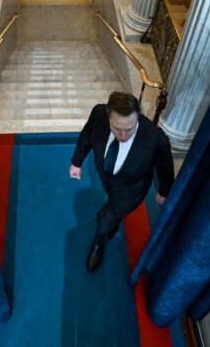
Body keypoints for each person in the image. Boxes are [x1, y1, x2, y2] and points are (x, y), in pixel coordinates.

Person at [69, 92, 174, 272]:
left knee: (108, 220)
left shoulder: (155, 138)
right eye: (117, 128)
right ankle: (109, 211)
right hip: (106, 178)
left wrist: (164, 191)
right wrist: (76, 161)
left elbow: (165, 167)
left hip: (130, 191)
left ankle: (98, 244)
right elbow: (86, 136)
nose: (123, 135)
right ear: (109, 116)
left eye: (130, 129)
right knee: (110, 205)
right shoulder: (98, 114)